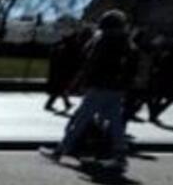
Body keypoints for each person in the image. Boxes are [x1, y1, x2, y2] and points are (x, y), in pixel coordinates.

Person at [41, 9, 136, 165]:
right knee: (115, 121)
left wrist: (78, 82)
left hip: (99, 85)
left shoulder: (103, 41)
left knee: (80, 118)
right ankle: (120, 154)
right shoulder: (127, 43)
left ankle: (61, 150)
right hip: (117, 88)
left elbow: (90, 63)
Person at [146, 38, 173, 124]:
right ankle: (154, 113)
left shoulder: (166, 55)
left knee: (159, 98)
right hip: (167, 81)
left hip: (162, 80)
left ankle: (153, 113)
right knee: (167, 99)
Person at [124, 30, 153, 122]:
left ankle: (128, 116)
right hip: (134, 80)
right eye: (145, 38)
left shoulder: (146, 50)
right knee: (130, 102)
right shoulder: (134, 49)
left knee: (137, 100)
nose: (147, 40)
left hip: (142, 80)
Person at [45, 32, 77, 112]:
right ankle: (52, 104)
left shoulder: (60, 47)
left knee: (60, 89)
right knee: (60, 88)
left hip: (59, 71)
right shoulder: (67, 49)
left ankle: (66, 103)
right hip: (63, 72)